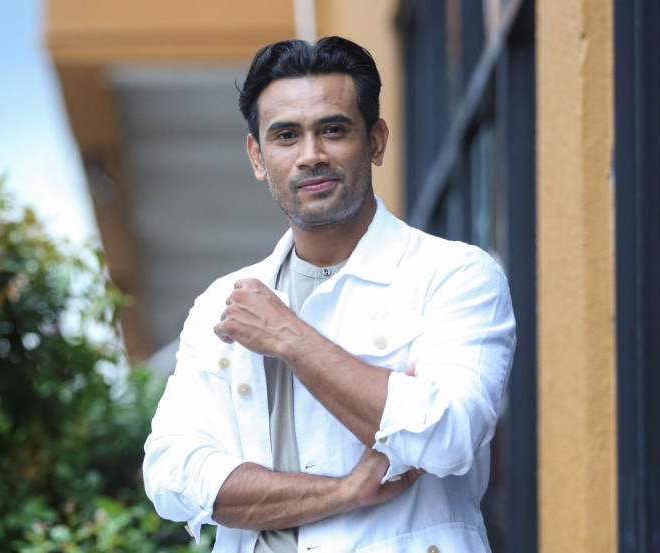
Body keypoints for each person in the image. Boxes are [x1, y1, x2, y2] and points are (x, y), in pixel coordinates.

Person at [143, 36, 516, 553]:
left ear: (376, 141)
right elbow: (171, 475)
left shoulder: (454, 275)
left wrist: (290, 337)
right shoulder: (222, 303)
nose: (311, 155)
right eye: (286, 136)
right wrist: (340, 493)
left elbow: (450, 435)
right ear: (257, 156)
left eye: (333, 130)